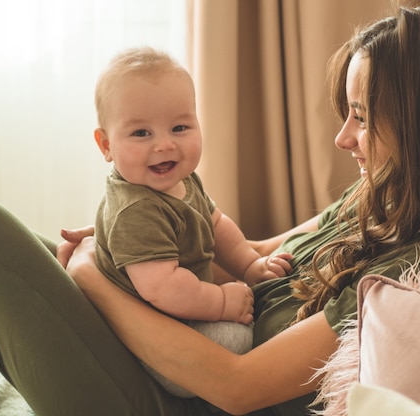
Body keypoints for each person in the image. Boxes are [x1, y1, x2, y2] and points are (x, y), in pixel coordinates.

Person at [0, 5, 420, 415]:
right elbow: (266, 249)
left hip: (165, 395)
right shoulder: (385, 195)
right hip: (157, 337)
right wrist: (137, 232)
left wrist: (90, 275)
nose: (343, 138)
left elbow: (238, 387)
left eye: (361, 114)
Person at [89, 47, 292, 397]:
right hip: (154, 342)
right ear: (106, 145)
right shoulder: (136, 210)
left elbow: (216, 224)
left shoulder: (182, 180)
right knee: (242, 340)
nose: (165, 145)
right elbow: (163, 287)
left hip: (181, 314)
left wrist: (249, 265)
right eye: (141, 134)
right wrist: (222, 303)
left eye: (179, 127)